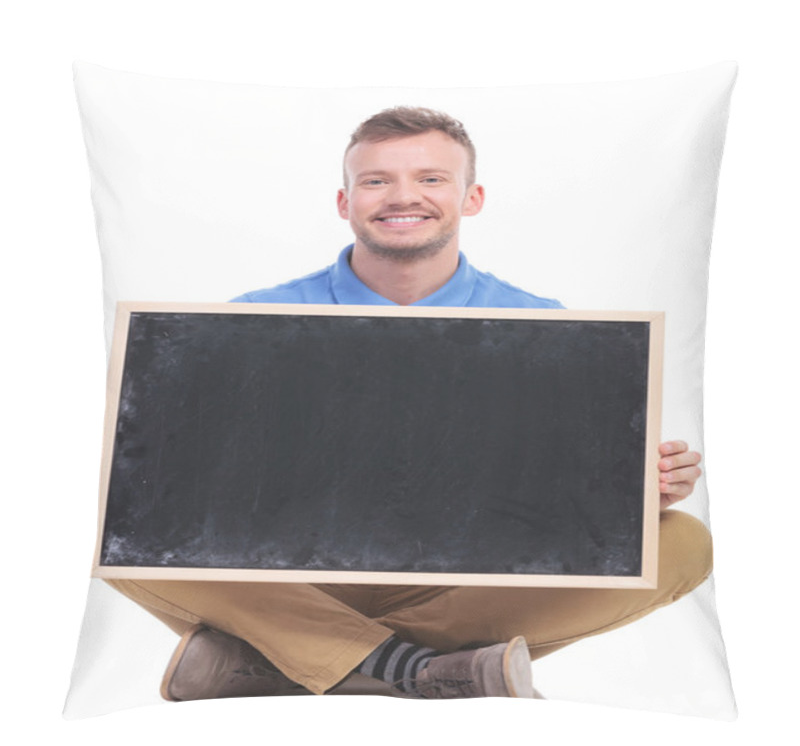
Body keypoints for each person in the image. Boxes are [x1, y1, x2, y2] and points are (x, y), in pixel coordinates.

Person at [110, 107, 709, 701]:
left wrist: (636, 491)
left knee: (682, 542)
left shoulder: (541, 326)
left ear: (470, 197)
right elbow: (189, 488)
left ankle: (292, 661)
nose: (403, 197)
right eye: (376, 181)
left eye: (430, 179)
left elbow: (559, 498)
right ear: (345, 203)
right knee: (120, 520)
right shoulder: (248, 321)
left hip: (464, 584)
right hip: (295, 582)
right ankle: (422, 670)